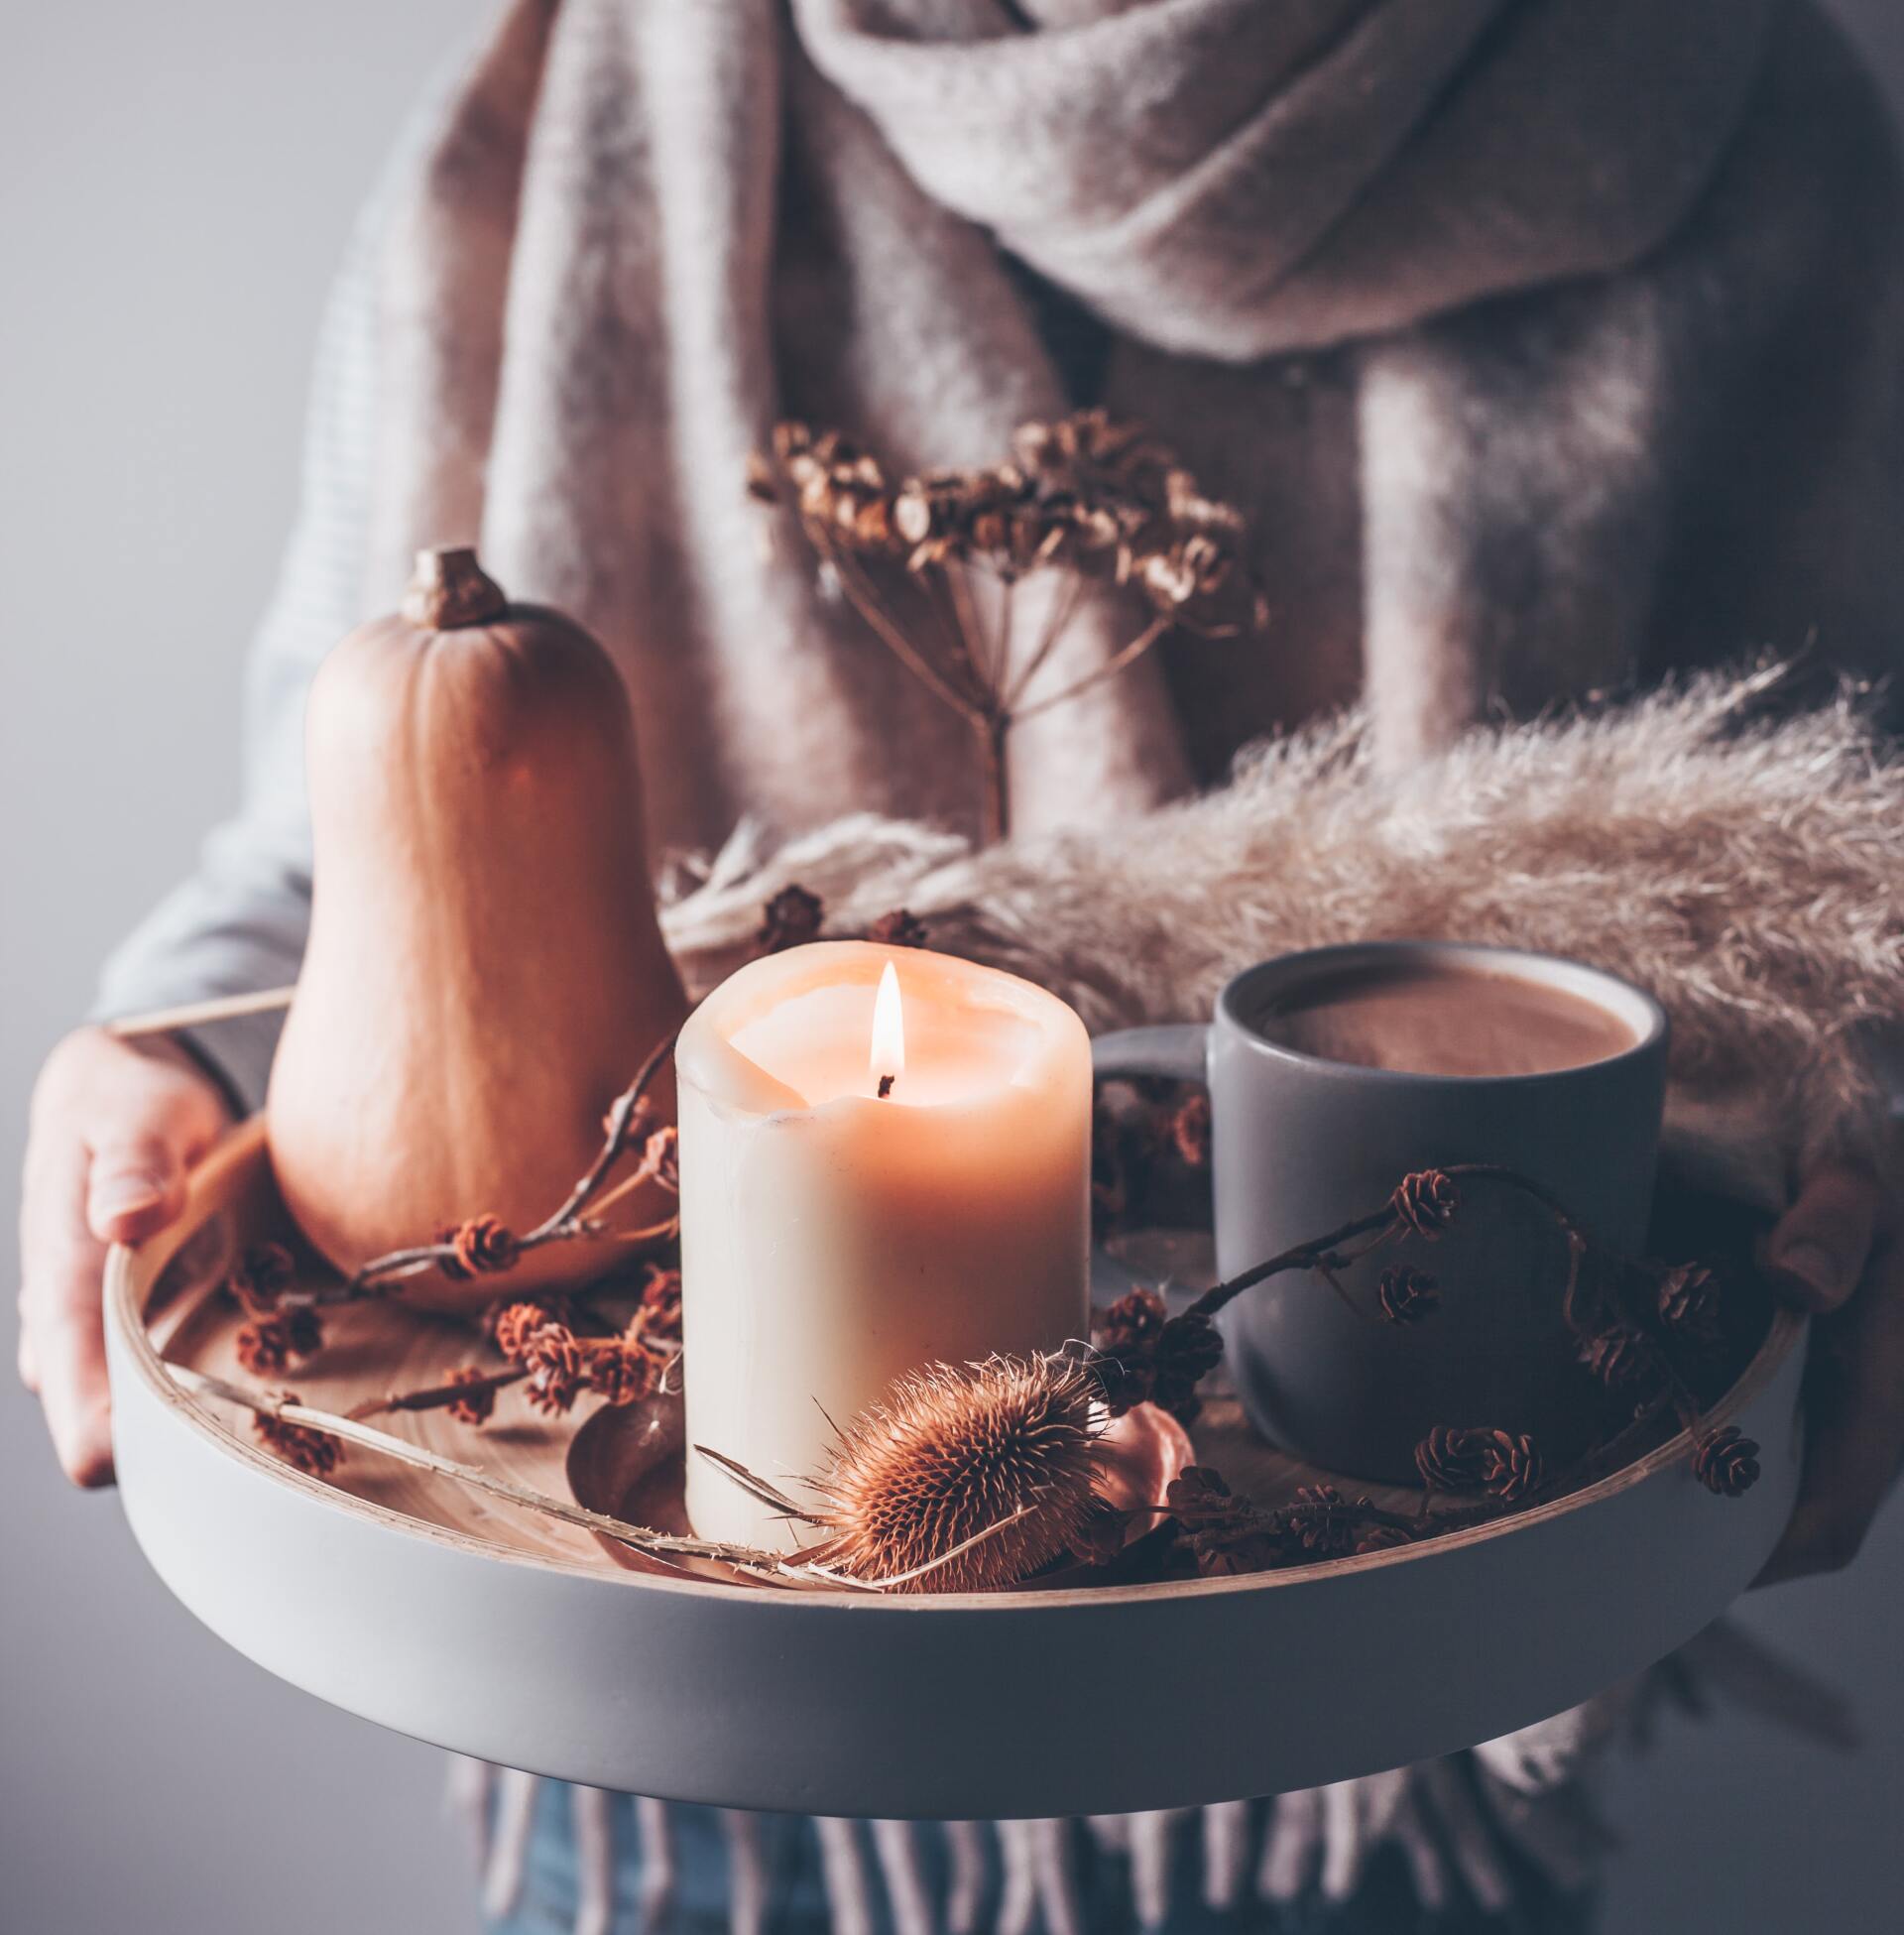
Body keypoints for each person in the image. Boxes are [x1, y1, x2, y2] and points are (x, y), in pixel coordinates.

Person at [18, 2, 1904, 1929]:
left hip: (1361, 1720)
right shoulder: (569, 106)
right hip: (686, 1726)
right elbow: (357, 870)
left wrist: (1877, 1140)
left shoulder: (1742, 124)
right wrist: (164, 1042)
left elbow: (1824, 885)